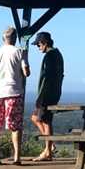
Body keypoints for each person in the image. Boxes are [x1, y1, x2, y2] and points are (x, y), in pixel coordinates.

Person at [0, 26, 30, 165]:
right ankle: (17, 157)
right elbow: (26, 72)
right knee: (15, 126)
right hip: (14, 92)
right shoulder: (19, 52)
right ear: (14, 38)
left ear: (3, 39)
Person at [29, 31, 64, 161]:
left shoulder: (49, 56)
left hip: (47, 93)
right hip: (54, 92)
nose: (38, 48)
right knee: (36, 118)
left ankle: (48, 151)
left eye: (38, 45)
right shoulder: (58, 54)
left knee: (45, 120)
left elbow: (47, 77)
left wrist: (41, 96)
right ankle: (50, 145)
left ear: (44, 42)